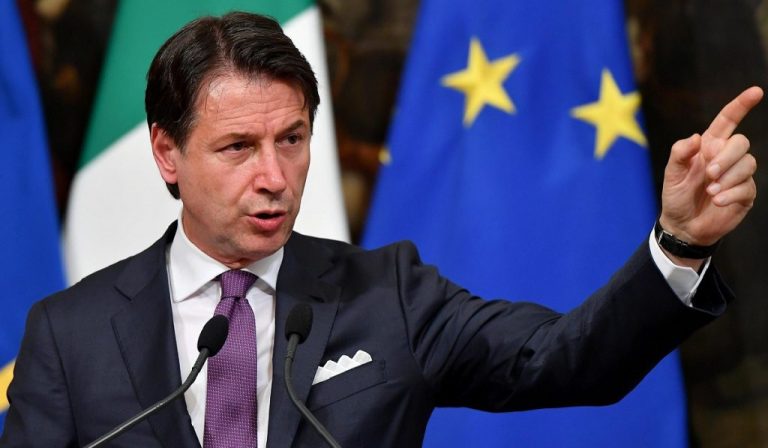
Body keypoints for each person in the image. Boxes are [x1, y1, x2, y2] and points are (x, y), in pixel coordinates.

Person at [0, 11, 762, 448]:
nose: (274, 175)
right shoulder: (69, 334)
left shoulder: (389, 295)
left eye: (292, 140)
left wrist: (679, 242)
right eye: (237, 148)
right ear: (167, 153)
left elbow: (567, 360)